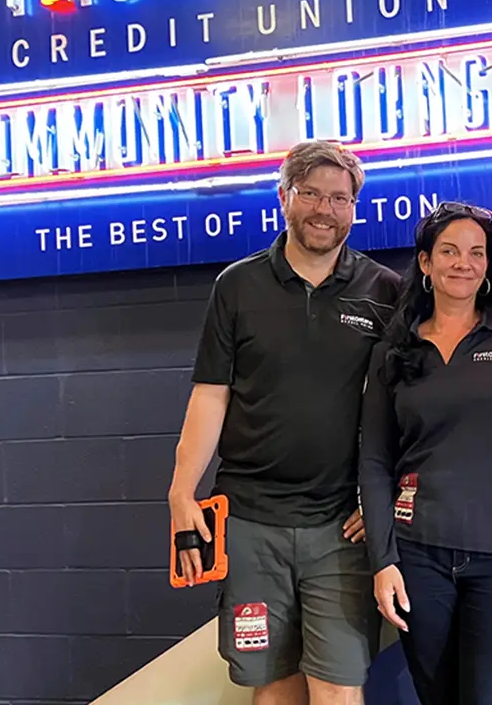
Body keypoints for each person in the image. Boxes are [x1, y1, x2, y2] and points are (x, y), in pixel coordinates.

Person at [167, 141, 401, 705]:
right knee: (271, 688)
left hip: (341, 527)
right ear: (285, 198)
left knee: (339, 689)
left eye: (339, 198)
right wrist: (180, 491)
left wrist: (382, 499)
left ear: (354, 207)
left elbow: (408, 408)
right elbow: (211, 396)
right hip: (250, 523)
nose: (325, 208)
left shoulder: (387, 292)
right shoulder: (238, 286)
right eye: (312, 194)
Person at [357, 201, 492, 705]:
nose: (462, 263)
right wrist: (383, 560)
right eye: (448, 251)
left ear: (488, 264)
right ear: (425, 263)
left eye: (475, 252)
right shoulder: (394, 349)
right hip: (417, 555)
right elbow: (376, 460)